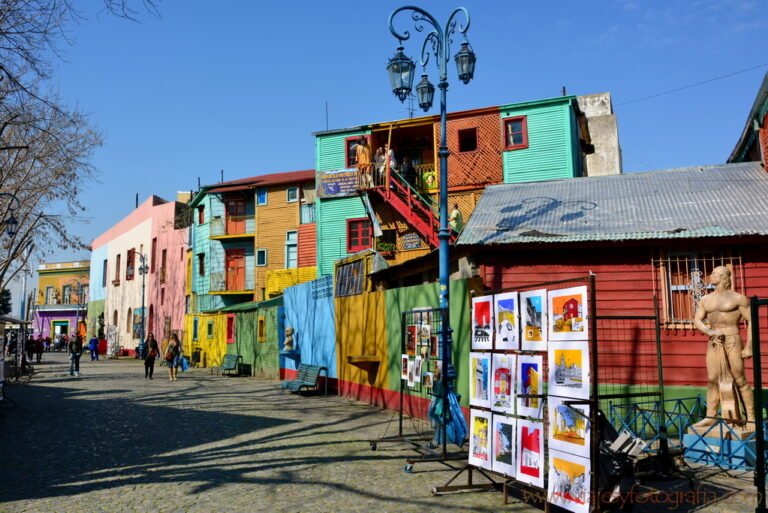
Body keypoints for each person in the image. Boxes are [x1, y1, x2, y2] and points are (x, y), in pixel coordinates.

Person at [692, 266, 755, 427]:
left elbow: (751, 322)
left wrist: (749, 346)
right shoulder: (706, 299)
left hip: (732, 339)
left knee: (739, 379)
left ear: (723, 277)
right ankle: (711, 416)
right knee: (712, 379)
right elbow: (697, 320)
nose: (710, 275)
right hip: (714, 341)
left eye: (714, 273)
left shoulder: (738, 298)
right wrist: (708, 331)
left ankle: (751, 417)